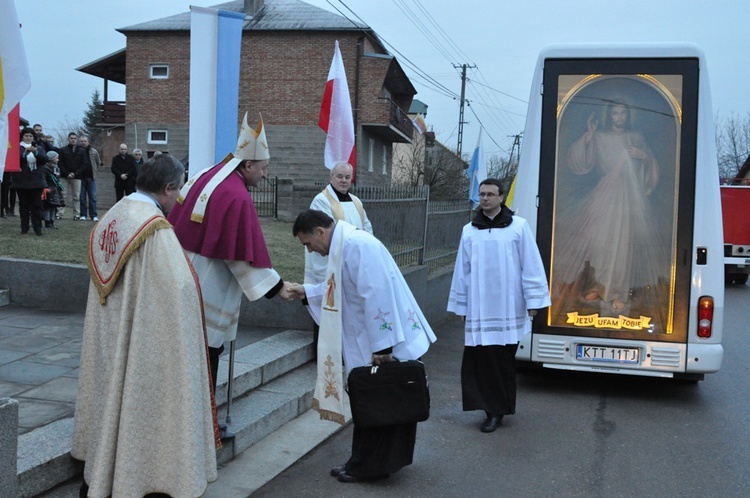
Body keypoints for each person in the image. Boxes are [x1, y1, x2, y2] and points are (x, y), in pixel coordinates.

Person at [71, 154, 219, 498]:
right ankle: (134, 479)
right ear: (167, 189)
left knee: (112, 394)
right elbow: (179, 288)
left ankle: (102, 472)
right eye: (178, 189)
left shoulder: (114, 215)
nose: (178, 196)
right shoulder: (154, 228)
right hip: (143, 337)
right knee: (143, 403)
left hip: (114, 331)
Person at [168, 113, 296, 439]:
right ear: (248, 165)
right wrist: (278, 288)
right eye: (264, 167)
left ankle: (190, 418)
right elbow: (239, 254)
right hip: (207, 283)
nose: (266, 173)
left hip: (180, 272)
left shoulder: (206, 174)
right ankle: (201, 425)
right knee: (207, 354)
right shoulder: (235, 195)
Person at [290, 209, 437, 483]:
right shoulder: (344, 246)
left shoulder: (358, 246)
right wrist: (306, 291)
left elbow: (377, 293)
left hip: (381, 343)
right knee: (374, 404)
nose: (310, 251)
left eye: (308, 244)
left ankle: (372, 466)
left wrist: (383, 347)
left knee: (382, 404)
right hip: (370, 339)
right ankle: (365, 461)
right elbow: (340, 288)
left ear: (320, 232)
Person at [447, 178, 550, 433]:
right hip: (480, 308)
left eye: (491, 194)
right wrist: (462, 306)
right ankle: (489, 409)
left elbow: (531, 264)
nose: (485, 199)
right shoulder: (469, 230)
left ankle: (499, 410)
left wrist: (533, 302)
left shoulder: (519, 227)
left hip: (509, 307)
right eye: (482, 194)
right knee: (481, 361)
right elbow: (463, 269)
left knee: (502, 362)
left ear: (502, 197)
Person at [555, 99, 665, 314]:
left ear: (628, 116)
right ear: (609, 116)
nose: (619, 118)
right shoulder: (599, 136)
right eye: (615, 114)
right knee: (601, 240)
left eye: (623, 113)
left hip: (629, 195)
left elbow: (651, 165)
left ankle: (618, 293)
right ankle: (599, 286)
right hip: (605, 192)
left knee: (623, 243)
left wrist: (645, 157)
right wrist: (588, 135)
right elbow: (579, 162)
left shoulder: (636, 137)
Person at [305, 160, 373, 357]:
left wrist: (363, 250)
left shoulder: (356, 202)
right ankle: (324, 351)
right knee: (328, 304)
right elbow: (325, 234)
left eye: (347, 177)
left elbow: (367, 227)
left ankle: (345, 351)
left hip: (353, 263)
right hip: (329, 263)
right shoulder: (321, 201)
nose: (343, 181)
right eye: (339, 176)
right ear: (331, 177)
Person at [16, 127, 48, 236]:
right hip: (22, 181)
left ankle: (37, 228)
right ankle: (24, 228)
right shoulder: (18, 148)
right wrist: (25, 153)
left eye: (30, 136)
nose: (28, 138)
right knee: (23, 206)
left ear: (33, 137)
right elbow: (17, 160)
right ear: (22, 137)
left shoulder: (39, 148)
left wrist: (36, 153)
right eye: (26, 136)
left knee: (37, 206)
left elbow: (44, 160)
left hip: (36, 182)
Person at [57, 132, 84, 220]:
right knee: (62, 195)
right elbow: (60, 163)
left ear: (77, 140)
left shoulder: (82, 150)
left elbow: (84, 164)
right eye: (71, 138)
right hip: (64, 177)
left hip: (77, 177)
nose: (73, 140)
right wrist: (67, 173)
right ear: (68, 139)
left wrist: (75, 173)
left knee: (76, 196)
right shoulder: (62, 150)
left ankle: (76, 214)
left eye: (75, 138)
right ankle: (59, 213)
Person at [77, 135, 100, 221]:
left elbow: (98, 162)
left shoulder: (93, 151)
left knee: (93, 197)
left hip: (91, 178)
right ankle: (83, 215)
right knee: (82, 197)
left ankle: (94, 215)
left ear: (88, 142)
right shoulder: (77, 151)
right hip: (80, 178)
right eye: (81, 141)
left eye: (85, 141)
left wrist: (93, 170)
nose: (83, 143)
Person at [41, 151, 65, 229]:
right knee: (48, 206)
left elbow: (58, 178)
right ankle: (47, 222)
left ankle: (52, 221)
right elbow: (43, 178)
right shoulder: (45, 168)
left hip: (55, 189)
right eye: (56, 158)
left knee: (54, 207)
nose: (57, 160)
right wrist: (45, 187)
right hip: (49, 189)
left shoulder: (56, 167)